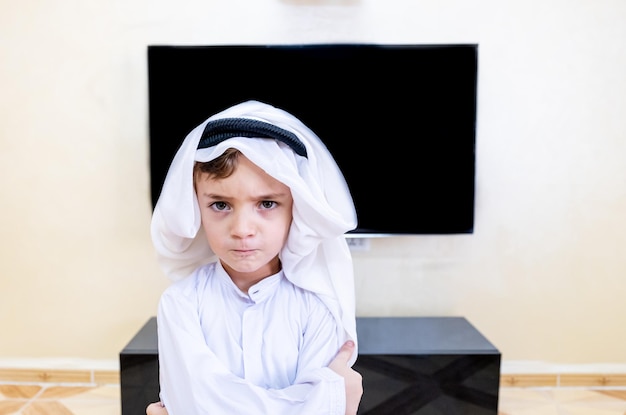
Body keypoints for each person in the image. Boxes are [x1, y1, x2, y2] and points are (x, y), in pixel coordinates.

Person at [147, 100, 363, 415]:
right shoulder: (181, 303)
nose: (242, 229)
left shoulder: (319, 305)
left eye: (266, 203)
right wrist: (333, 395)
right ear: (196, 208)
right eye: (220, 205)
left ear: (297, 208)